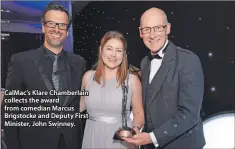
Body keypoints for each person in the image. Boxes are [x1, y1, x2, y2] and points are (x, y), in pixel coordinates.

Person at [2, 3, 86, 149]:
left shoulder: (79, 62)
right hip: (33, 142)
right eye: (52, 24)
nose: (57, 29)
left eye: (62, 25)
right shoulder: (21, 61)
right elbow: (10, 110)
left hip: (70, 141)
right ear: (43, 27)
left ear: (67, 31)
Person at [123, 8, 206, 149]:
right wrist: (137, 128)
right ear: (140, 32)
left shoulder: (188, 60)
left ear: (168, 29)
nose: (152, 35)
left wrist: (152, 137)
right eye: (147, 29)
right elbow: (149, 104)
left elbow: (189, 114)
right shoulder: (144, 63)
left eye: (158, 28)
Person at [80, 31, 145, 149]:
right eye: (109, 48)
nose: (113, 55)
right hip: (92, 138)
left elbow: (139, 113)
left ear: (124, 54)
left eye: (119, 50)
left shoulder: (132, 80)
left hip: (121, 141)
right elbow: (79, 107)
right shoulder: (88, 77)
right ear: (101, 50)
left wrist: (134, 130)